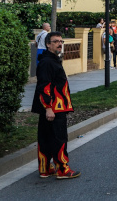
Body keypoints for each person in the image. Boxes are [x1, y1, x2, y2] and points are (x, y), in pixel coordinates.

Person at [31, 31, 80, 179]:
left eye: (61, 41)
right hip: (54, 108)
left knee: (46, 138)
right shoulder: (48, 62)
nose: (59, 44)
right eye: (56, 41)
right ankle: (63, 170)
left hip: (52, 108)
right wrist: (48, 108)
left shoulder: (50, 60)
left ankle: (45, 168)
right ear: (48, 44)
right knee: (59, 138)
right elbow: (44, 86)